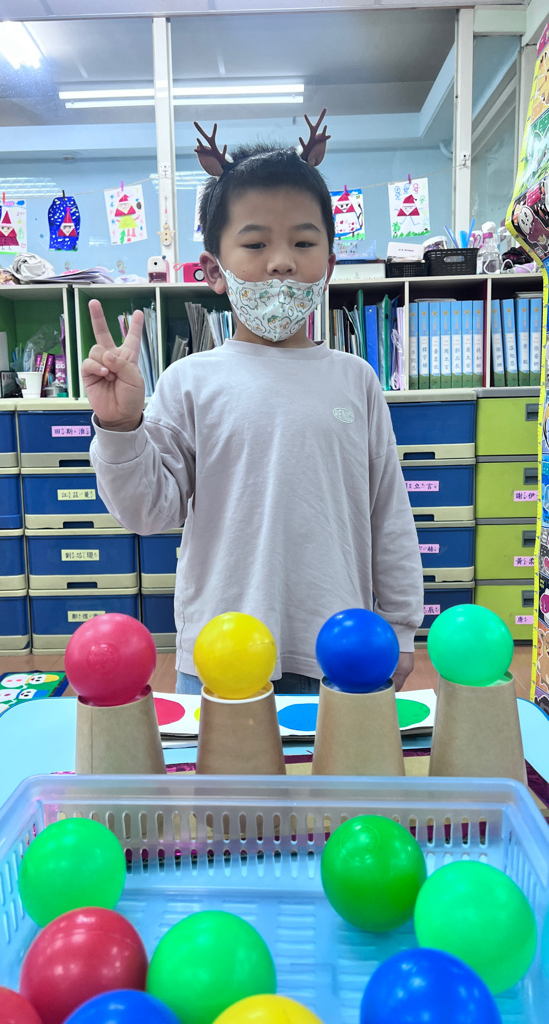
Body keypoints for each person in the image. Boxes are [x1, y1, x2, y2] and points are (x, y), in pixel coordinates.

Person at [84, 110, 423, 695]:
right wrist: (120, 426)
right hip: (222, 654)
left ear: (329, 266)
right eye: (256, 243)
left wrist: (400, 624)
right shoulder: (189, 382)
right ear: (214, 270)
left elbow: (388, 513)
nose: (282, 260)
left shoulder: (356, 380)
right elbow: (148, 512)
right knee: (219, 761)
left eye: (303, 242)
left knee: (335, 759)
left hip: (341, 650)